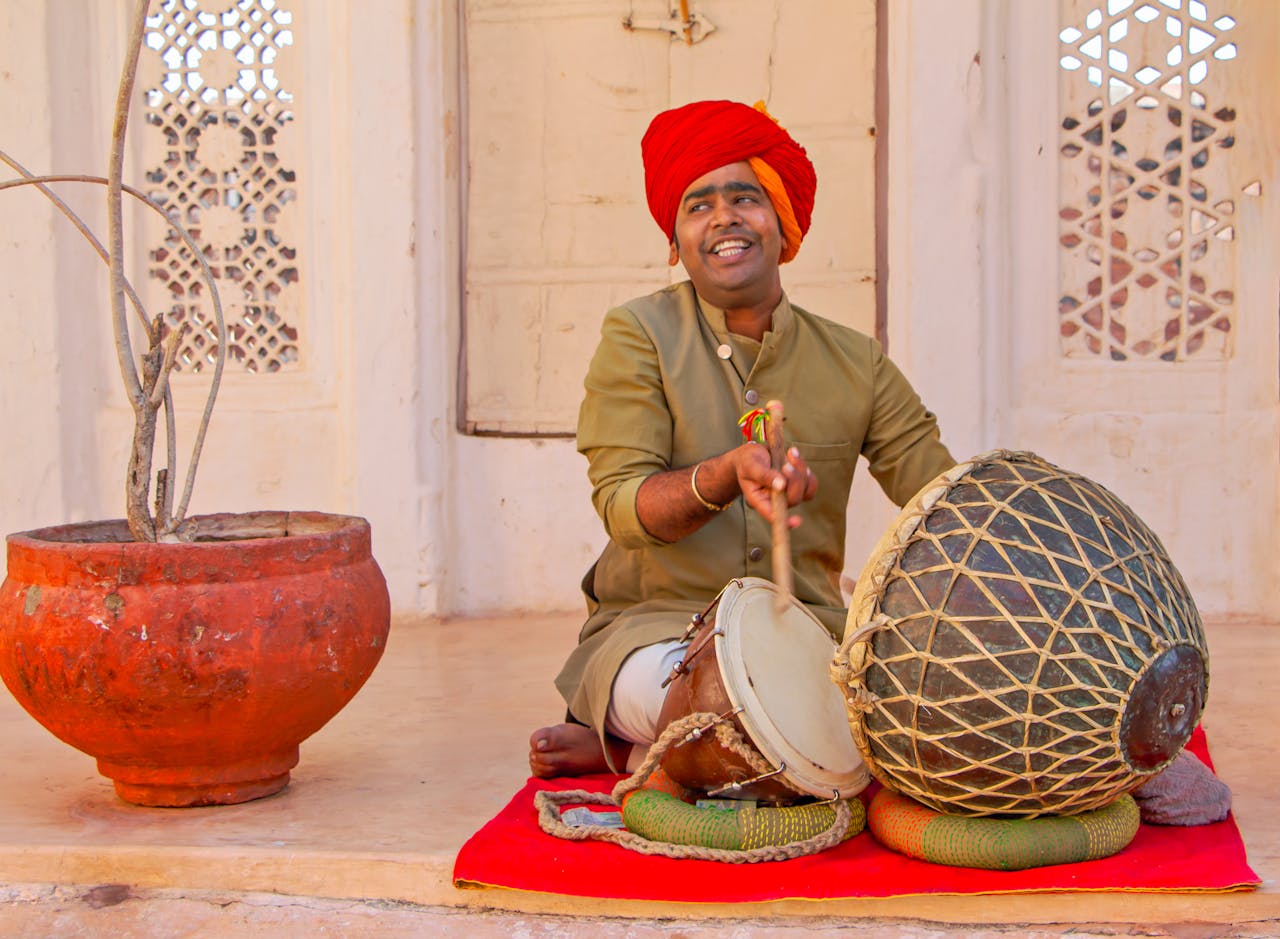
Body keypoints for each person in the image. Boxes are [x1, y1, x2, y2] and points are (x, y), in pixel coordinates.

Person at [528, 99, 956, 778]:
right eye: (698, 204)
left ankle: (645, 755)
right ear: (676, 241)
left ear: (782, 223)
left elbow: (942, 501)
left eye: (744, 197)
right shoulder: (639, 334)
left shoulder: (856, 361)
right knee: (723, 703)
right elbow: (625, 508)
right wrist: (725, 475)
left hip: (812, 634)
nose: (723, 216)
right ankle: (668, 738)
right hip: (660, 632)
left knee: (932, 713)